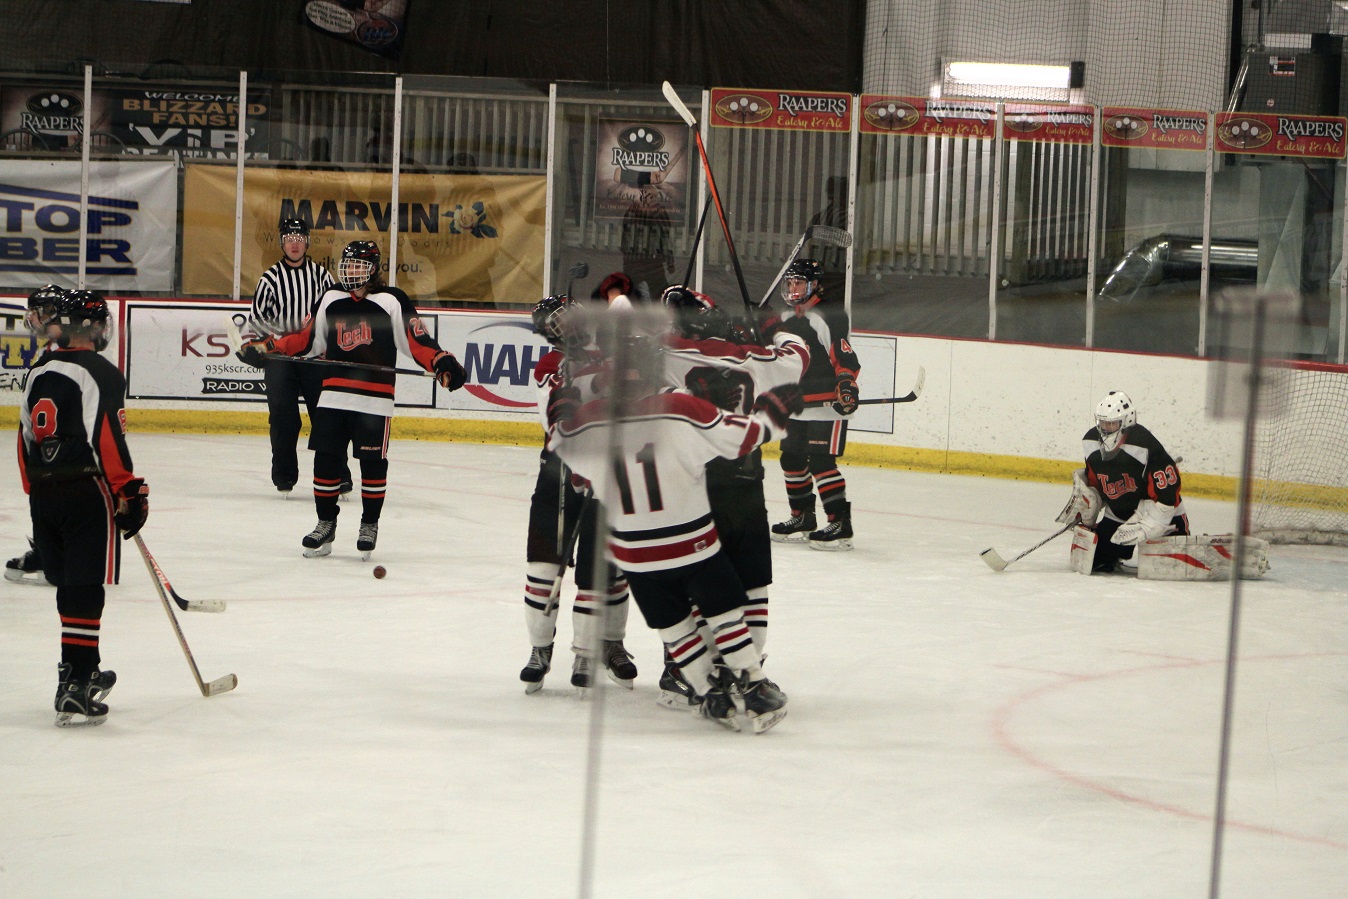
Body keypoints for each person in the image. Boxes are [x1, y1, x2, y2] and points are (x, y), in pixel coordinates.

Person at [547, 315, 799, 733]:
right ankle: (753, 686)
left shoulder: (588, 421)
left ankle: (709, 695)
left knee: (675, 626)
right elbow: (746, 438)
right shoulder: (680, 409)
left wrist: (563, 405)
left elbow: (563, 449)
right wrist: (774, 411)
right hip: (691, 543)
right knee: (723, 613)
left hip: (634, 555)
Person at [239, 240, 468, 558]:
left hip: (375, 399)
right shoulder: (331, 298)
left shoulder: (391, 300)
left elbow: (417, 340)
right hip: (333, 396)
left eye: (359, 265)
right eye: (348, 264)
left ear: (373, 269)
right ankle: (325, 523)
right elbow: (306, 340)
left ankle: (369, 524)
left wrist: (441, 360)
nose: (351, 271)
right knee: (325, 460)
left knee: (373, 464)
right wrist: (269, 348)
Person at [656, 286, 809, 709]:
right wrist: (771, 328)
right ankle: (745, 671)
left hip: (692, 485)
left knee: (699, 581)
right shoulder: (751, 357)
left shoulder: (663, 354)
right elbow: (799, 356)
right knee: (752, 582)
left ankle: (688, 670)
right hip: (744, 483)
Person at [18, 289, 149, 727]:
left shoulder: (39, 371)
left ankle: (80, 670)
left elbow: (25, 439)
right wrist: (128, 489)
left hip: (44, 494)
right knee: (86, 585)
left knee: (69, 585)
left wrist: (35, 491)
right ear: (90, 327)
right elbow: (105, 437)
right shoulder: (101, 372)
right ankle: (76, 682)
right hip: (86, 491)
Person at [518, 295, 637, 692]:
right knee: (542, 570)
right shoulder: (550, 366)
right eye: (558, 324)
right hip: (559, 475)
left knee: (604, 571)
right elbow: (553, 421)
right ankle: (540, 648)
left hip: (609, 475)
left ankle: (601, 647)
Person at [237, 217, 351, 498]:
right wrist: (259, 347)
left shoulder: (322, 277)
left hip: (315, 357)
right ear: (281, 243)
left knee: (326, 416)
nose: (294, 244)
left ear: (307, 242)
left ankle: (338, 474)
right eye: (289, 239)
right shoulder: (270, 279)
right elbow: (258, 323)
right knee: (283, 417)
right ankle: (285, 476)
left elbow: (335, 314)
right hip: (281, 359)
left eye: (299, 239)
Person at [764, 258, 861, 550]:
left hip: (827, 405)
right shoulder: (785, 316)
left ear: (815, 285)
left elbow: (843, 355)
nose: (793, 288)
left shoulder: (828, 315)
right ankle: (802, 517)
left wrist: (846, 383)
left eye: (799, 283)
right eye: (790, 283)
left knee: (820, 462)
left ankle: (840, 523)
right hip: (797, 402)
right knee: (791, 459)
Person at [1055, 390, 1190, 572]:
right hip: (1118, 513)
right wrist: (1090, 500)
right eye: (1102, 423)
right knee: (1094, 562)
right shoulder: (1090, 442)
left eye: (1111, 424)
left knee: (1172, 565)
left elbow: (1168, 494)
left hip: (1155, 513)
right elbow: (1096, 481)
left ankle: (1176, 533)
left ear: (1127, 421)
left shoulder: (1145, 445)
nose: (1105, 428)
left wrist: (1157, 522)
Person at [6, 284, 66, 587]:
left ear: (52, 313)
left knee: (49, 493)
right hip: (43, 439)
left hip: (52, 445)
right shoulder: (52, 351)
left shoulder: (62, 356)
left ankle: (51, 555)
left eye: (36, 311)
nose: (31, 318)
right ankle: (51, 549)